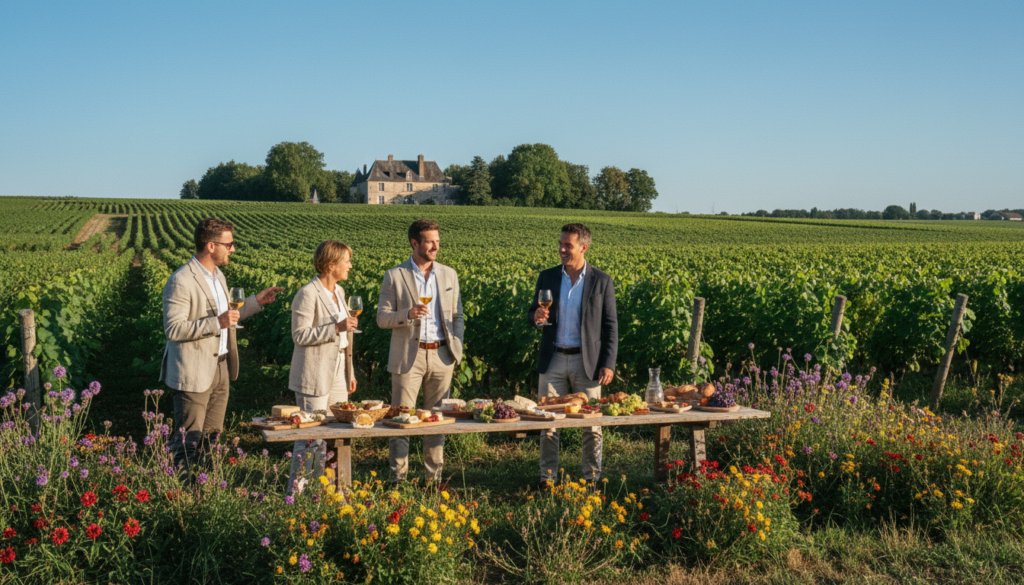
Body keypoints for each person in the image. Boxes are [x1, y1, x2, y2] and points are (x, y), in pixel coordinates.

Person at [160, 218, 283, 471]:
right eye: (229, 244)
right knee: (188, 440)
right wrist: (216, 323)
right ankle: (181, 496)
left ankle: (204, 487)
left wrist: (256, 301)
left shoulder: (218, 276)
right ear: (211, 246)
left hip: (221, 367)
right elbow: (174, 329)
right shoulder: (181, 280)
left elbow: (228, 314)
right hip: (194, 370)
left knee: (212, 438)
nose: (233, 249)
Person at [527, 223, 618, 488]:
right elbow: (532, 314)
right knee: (548, 422)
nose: (562, 249)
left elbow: (611, 325)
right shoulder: (548, 276)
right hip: (552, 358)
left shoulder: (602, 280)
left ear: (583, 247)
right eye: (560, 243)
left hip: (586, 362)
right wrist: (535, 317)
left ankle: (591, 479)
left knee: (591, 423)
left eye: (568, 245)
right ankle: (548, 479)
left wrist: (608, 363)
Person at [377, 219, 464, 484]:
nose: (436, 246)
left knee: (436, 421)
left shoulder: (449, 274)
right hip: (407, 358)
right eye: (430, 241)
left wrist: (456, 344)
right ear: (414, 243)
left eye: (437, 240)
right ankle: (398, 481)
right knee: (401, 420)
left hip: (441, 356)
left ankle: (433, 481)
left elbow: (457, 315)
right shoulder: (395, 275)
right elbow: (382, 318)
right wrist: (408, 314)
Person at [287, 240, 360, 492]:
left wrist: (349, 371)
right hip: (314, 372)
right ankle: (296, 497)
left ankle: (328, 492)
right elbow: (300, 335)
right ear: (331, 265)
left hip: (338, 369)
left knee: (337, 432)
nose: (350, 265)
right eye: (346, 261)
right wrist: (336, 327)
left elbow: (345, 339)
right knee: (310, 437)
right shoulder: (307, 293)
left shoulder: (339, 292)